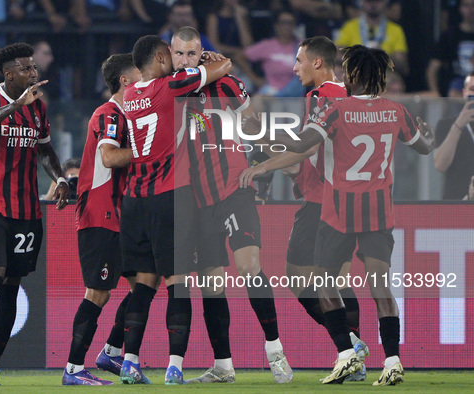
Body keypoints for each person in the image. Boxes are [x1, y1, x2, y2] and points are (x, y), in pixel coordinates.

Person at [266, 44, 434, 385]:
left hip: (339, 211)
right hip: (379, 211)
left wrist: (267, 134)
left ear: (352, 76)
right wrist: (427, 136)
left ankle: (345, 354)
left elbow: (303, 144)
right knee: (381, 288)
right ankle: (393, 362)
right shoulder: (396, 111)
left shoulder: (334, 108)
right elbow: (423, 146)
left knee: (324, 283)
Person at [238, 35, 368, 381]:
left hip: (320, 203)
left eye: (298, 61)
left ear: (317, 63)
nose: (293, 68)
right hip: (351, 200)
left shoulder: (320, 95)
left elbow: (304, 149)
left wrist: (263, 152)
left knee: (299, 279)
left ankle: (349, 346)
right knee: (337, 279)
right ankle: (354, 356)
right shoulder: (347, 95)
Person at [170, 26, 293, 384]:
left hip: (234, 188)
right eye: (179, 54)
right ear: (171, 54)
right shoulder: (169, 89)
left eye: (192, 54)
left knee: (249, 266)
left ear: (201, 54)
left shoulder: (227, 84)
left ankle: (275, 351)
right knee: (211, 283)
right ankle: (223, 365)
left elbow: (252, 123)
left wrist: (274, 165)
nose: (185, 60)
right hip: (197, 200)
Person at [119, 34, 231, 385]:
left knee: (142, 285)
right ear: (159, 56)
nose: (177, 60)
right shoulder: (172, 86)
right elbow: (223, 68)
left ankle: (129, 362)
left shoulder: (130, 94)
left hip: (134, 199)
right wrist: (214, 58)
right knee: (178, 283)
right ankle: (174, 367)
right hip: (168, 196)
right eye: (171, 54)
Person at [0, 42, 70, 386]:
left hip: (26, 208)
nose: (34, 74)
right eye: (27, 69)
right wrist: (14, 106)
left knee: (12, 286)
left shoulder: (37, 108)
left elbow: (45, 150)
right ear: (9, 73)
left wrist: (60, 179)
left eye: (34, 69)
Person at [62, 54, 141, 386]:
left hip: (121, 216)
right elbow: (108, 158)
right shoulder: (108, 114)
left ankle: (110, 350)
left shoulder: (127, 116)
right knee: (97, 292)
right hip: (100, 213)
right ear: (125, 81)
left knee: (143, 286)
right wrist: (150, 150)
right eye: (141, 76)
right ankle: (73, 369)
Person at [336, 0, 409, 76]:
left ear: (385, 2)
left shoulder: (396, 30)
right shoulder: (349, 27)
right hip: (356, 72)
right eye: (369, 1)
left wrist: (383, 56)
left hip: (384, 74)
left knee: (395, 85)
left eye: (377, 1)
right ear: (362, 2)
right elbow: (336, 55)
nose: (373, 5)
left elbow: (403, 66)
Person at [244, 10, 305, 97]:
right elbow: (241, 57)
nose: (287, 26)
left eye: (290, 23)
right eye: (283, 23)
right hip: (271, 91)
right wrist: (254, 79)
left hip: (296, 93)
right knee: (257, 100)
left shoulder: (304, 46)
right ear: (276, 25)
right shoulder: (267, 45)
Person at [434, 73, 474, 199]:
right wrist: (459, 124)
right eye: (472, 89)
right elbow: (440, 165)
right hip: (456, 205)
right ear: (464, 93)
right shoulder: (446, 125)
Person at [427, 0, 474, 97]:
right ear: (460, 8)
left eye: (473, 5)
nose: (470, 9)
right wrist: (435, 92)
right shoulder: (449, 35)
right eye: (466, 6)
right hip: (458, 85)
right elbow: (432, 69)